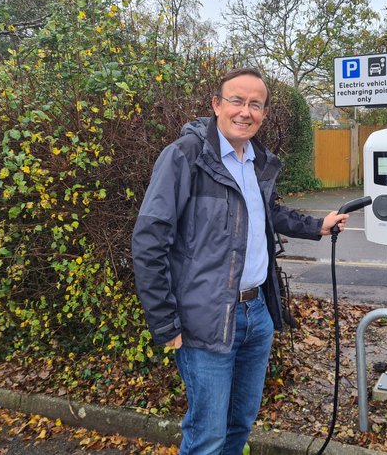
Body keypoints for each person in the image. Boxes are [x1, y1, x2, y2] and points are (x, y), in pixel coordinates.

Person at [131, 68, 349, 454]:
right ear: (217, 105)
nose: (245, 111)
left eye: (255, 104)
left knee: (239, 426)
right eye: (236, 101)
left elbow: (268, 214)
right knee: (207, 437)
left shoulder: (257, 162)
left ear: (264, 113)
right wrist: (165, 321)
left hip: (257, 316)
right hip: (205, 320)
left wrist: (319, 226)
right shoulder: (185, 157)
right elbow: (150, 241)